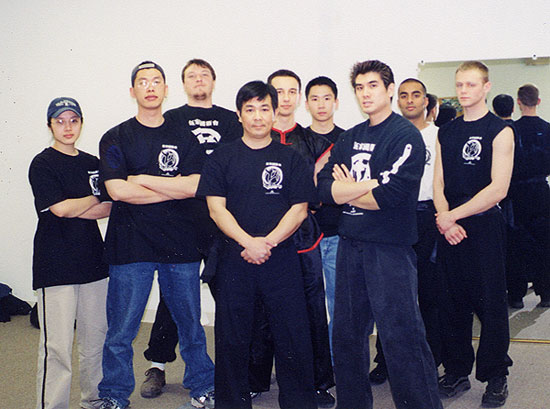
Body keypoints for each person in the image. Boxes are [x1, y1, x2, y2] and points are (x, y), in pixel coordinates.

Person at [317, 60, 442, 409]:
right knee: (346, 336)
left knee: (401, 336)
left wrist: (347, 190)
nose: (365, 93)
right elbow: (324, 188)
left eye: (372, 86)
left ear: (389, 90)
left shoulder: (404, 136)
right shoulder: (349, 137)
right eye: (359, 87)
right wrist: (365, 186)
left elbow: (389, 195)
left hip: (389, 250)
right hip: (350, 246)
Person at [97, 61, 214, 409]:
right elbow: (117, 190)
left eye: (156, 81)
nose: (150, 87)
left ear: (166, 90)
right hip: (130, 246)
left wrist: (142, 180)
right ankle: (114, 395)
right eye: (143, 82)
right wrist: (171, 187)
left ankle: (203, 388)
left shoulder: (185, 137)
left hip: (180, 245)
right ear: (132, 91)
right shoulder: (116, 137)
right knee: (121, 331)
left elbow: (195, 186)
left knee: (191, 326)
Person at [197, 80, 317, 409]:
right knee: (232, 337)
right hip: (235, 257)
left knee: (292, 335)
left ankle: (299, 403)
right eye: (250, 109)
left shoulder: (290, 158)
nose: (258, 116)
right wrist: (248, 242)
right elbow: (216, 209)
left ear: (274, 112)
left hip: (281, 258)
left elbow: (299, 210)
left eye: (265, 108)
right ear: (239, 115)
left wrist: (268, 243)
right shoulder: (222, 157)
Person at [139, 58, 241, 399]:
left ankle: (228, 367)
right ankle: (157, 365)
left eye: (204, 75)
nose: (198, 80)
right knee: (173, 296)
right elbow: (166, 170)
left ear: (213, 81)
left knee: (228, 294)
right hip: (179, 219)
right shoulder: (171, 120)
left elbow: (236, 166)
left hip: (221, 219)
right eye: (191, 76)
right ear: (183, 84)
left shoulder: (231, 121)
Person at [247, 69, 335, 407]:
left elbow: (316, 193)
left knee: (311, 311)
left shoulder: (316, 143)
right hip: (259, 236)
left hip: (303, 239)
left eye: (291, 91)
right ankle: (255, 379)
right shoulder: (251, 140)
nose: (285, 97)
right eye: (278, 91)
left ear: (299, 97)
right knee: (260, 310)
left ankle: (318, 382)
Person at [434, 61, 514, 408]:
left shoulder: (500, 130)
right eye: (459, 85)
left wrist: (453, 216)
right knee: (451, 302)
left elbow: (498, 188)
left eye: (470, 84)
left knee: (490, 303)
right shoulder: (446, 131)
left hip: (482, 225)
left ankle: (496, 375)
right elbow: (438, 181)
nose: (464, 90)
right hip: (448, 227)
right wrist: (445, 219)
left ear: (486, 87)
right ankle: (456, 370)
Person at [29, 97, 111, 409]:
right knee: (58, 347)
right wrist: (91, 198)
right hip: (55, 265)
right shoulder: (43, 163)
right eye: (60, 121)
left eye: (73, 120)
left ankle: (94, 400)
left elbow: (108, 207)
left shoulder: (93, 163)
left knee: (95, 340)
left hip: (93, 263)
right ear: (50, 125)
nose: (67, 127)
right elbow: (60, 210)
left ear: (81, 123)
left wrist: (75, 204)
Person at [369, 78, 442, 385]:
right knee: (390, 295)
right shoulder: (390, 135)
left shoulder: (439, 135)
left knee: (429, 294)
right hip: (395, 216)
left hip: (429, 217)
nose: (410, 100)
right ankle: (385, 361)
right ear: (396, 100)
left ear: (427, 101)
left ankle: (430, 361)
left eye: (416, 95)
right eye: (404, 95)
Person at [304, 75, 345, 349]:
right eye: (315, 99)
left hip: (339, 233)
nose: (321, 104)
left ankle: (334, 362)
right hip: (305, 235)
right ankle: (313, 363)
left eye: (327, 98)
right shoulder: (298, 139)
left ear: (336, 102)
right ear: (306, 104)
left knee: (339, 304)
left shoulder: (348, 139)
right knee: (306, 304)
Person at [505, 84, 550, 308]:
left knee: (515, 244)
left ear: (519, 102)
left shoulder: (511, 130)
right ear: (538, 101)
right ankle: (546, 293)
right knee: (544, 242)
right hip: (541, 191)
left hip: (516, 193)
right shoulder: (548, 129)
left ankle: (516, 295)